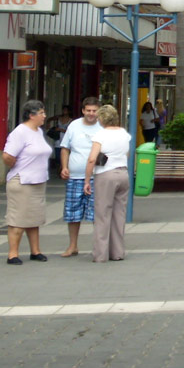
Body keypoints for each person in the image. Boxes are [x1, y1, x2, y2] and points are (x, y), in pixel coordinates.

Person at [2, 99, 52, 265]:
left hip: (38, 181)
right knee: (18, 219)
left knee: (34, 218)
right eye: (41, 113)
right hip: (22, 181)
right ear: (31, 115)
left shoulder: (37, 131)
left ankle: (35, 251)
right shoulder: (20, 132)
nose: (44, 116)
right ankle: (13, 254)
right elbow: (7, 156)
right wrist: (18, 166)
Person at [85, 104, 131, 263]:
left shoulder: (100, 135)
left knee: (102, 214)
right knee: (119, 214)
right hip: (123, 173)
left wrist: (87, 179)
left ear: (102, 119)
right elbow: (127, 154)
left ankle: (100, 254)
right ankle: (117, 252)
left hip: (105, 174)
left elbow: (92, 158)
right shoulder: (124, 134)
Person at [59, 96, 103, 257]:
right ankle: (72, 246)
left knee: (96, 214)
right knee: (73, 213)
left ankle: (98, 246)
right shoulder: (74, 125)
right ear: (83, 110)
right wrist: (64, 167)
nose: (91, 114)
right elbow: (65, 148)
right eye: (88, 110)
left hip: (96, 176)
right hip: (75, 176)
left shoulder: (103, 126)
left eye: (94, 111)